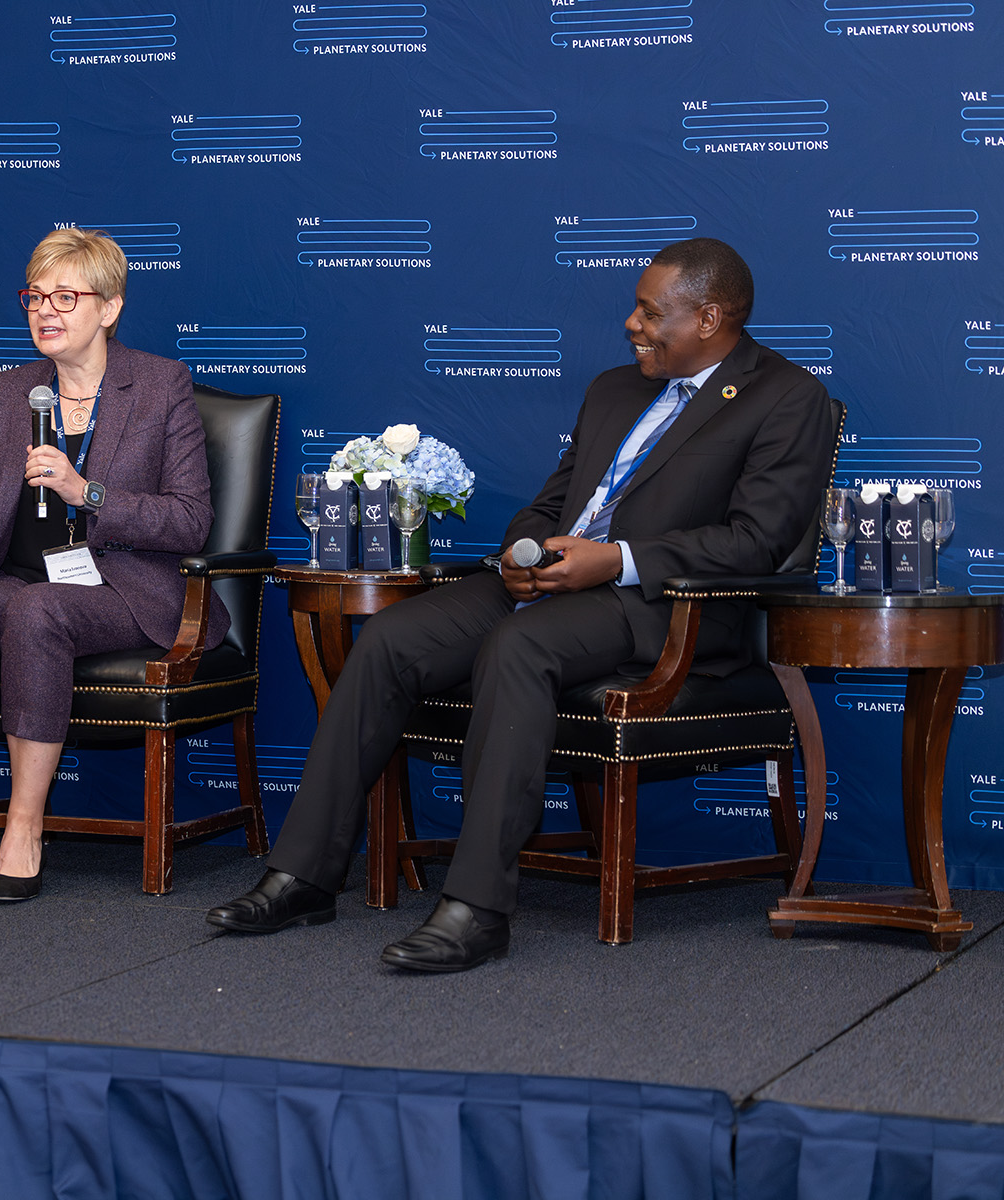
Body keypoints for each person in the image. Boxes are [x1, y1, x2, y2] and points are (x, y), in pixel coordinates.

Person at [207, 237, 836, 971]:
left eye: (648, 311)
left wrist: (620, 560)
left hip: (664, 612)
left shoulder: (788, 397)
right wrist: (526, 553)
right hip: (552, 587)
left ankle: (476, 907)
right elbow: (550, 502)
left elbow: (756, 542)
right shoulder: (614, 389)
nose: (631, 324)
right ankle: (305, 874)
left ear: (709, 317)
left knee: (519, 649)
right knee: (389, 640)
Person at [0, 227, 226, 915]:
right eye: (35, 296)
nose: (46, 311)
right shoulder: (14, 389)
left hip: (123, 587)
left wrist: (87, 492)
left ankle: (23, 829)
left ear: (109, 308)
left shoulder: (160, 385)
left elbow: (191, 521)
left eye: (66, 297)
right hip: (25, 577)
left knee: (34, 609)